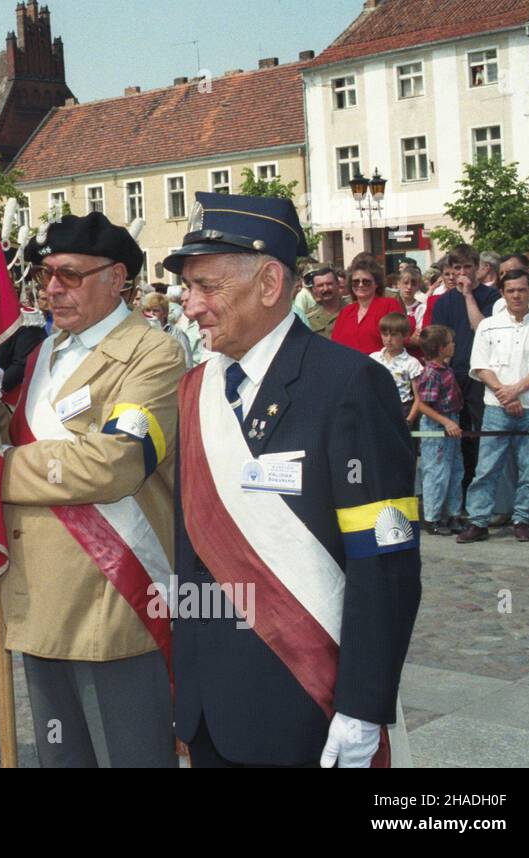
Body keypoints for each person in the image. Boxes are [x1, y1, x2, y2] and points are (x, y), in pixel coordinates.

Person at [166, 191, 420, 768]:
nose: (191, 305)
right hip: (212, 709)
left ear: (270, 283)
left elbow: (385, 562)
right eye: (188, 288)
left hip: (308, 700)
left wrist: (361, 708)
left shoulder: (350, 384)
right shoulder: (194, 391)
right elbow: (194, 553)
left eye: (207, 286)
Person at [1, 212, 183, 768]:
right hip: (36, 601)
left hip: (110, 600)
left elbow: (114, 464)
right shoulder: (43, 354)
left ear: (117, 277)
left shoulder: (154, 354)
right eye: (46, 275)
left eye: (71, 275)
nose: (52, 288)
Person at [457, 269, 529, 544]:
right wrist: (505, 395)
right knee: (487, 468)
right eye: (510, 290)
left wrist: (516, 391)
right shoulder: (489, 326)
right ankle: (478, 521)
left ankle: (524, 519)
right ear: (502, 293)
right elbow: (480, 365)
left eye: (521, 290)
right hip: (497, 408)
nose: (516, 295)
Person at [431, 245, 500, 490]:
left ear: (477, 268)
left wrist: (469, 295)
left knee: (482, 433)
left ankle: (482, 488)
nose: (461, 273)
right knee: (455, 434)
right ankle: (458, 490)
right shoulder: (442, 302)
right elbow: (436, 342)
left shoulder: (492, 298)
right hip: (453, 374)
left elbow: (482, 329)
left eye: (467, 267)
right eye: (456, 267)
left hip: (482, 374)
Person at [413, 325, 465, 536]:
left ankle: (453, 513)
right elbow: (424, 405)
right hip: (438, 426)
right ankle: (432, 517)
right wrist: (446, 422)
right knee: (436, 473)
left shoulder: (446, 369)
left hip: (452, 422)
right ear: (441, 348)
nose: (454, 345)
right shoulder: (431, 374)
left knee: (455, 471)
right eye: (450, 342)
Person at [331, 257, 402, 355]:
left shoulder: (389, 305)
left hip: (378, 366)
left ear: (376, 284)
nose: (360, 285)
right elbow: (335, 344)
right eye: (356, 282)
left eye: (366, 281)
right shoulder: (346, 311)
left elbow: (398, 340)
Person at [370, 312, 423, 421]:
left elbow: (419, 398)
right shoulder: (373, 358)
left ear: (405, 335)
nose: (388, 339)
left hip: (402, 409)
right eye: (385, 334)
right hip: (377, 408)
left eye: (394, 334)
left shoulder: (412, 363)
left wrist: (409, 420)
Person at [304, 267, 347, 338]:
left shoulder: (354, 310)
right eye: (320, 285)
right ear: (314, 289)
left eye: (329, 284)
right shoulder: (307, 317)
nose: (325, 289)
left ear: (338, 284)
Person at [395, 267, 427, 358]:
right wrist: (408, 340)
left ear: (418, 286)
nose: (409, 287)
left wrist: (397, 340)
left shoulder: (422, 308)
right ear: (398, 284)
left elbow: (418, 339)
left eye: (413, 284)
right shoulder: (391, 306)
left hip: (414, 357)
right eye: (405, 283)